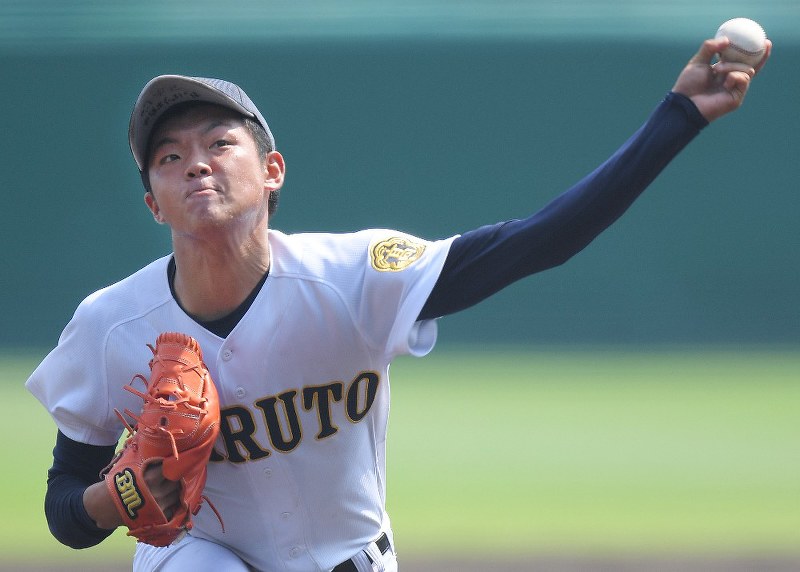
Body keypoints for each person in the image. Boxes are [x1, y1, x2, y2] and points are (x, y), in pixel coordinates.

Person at [26, 35, 770, 572]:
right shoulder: (110, 326)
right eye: (168, 156)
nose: (194, 162)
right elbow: (67, 511)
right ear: (153, 204)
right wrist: (113, 497)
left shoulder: (354, 278)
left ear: (272, 171)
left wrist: (679, 117)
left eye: (219, 142)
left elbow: (543, 241)